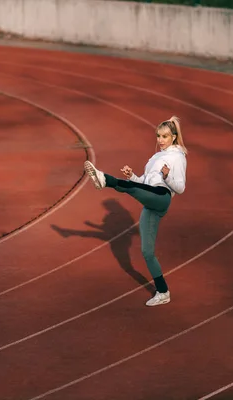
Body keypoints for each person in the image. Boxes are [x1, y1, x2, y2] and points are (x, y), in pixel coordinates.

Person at [83, 116, 188, 307]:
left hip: (161, 196)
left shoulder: (178, 156)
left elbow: (180, 188)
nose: (160, 140)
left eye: (164, 136)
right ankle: (163, 292)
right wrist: (133, 176)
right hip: (151, 201)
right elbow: (145, 185)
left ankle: (104, 179)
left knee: (130, 188)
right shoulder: (155, 158)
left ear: (173, 137)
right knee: (147, 252)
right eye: (158, 136)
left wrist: (167, 177)